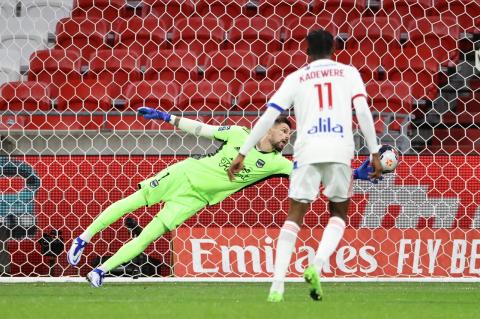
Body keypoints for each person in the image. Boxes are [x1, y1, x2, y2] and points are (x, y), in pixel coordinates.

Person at [68, 107, 376, 288]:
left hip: (196, 199)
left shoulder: (279, 164)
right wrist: (166, 117)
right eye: (283, 131)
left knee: (150, 234)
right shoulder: (240, 133)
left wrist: (355, 174)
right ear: (268, 127)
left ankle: (100, 271)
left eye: (289, 135)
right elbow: (201, 128)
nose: (286, 137)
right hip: (184, 174)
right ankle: (84, 238)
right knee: (133, 201)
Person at [227, 29, 383, 302]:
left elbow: (268, 117)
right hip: (339, 149)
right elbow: (363, 112)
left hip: (307, 150)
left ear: (306, 50)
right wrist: (374, 151)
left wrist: (243, 151)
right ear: (333, 48)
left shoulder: (296, 77)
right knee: (338, 213)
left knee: (295, 214)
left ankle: (277, 286)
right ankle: (318, 264)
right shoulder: (348, 73)